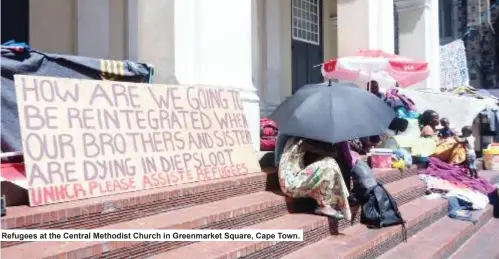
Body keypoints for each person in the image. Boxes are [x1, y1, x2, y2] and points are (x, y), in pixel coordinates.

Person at [278, 137, 351, 220]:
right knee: (329, 163)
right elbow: (331, 154)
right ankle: (325, 205)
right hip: (291, 185)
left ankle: (338, 203)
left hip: (288, 182)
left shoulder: (291, 140)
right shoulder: (302, 142)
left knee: (328, 164)